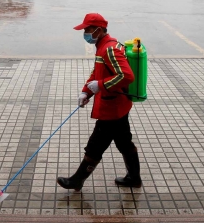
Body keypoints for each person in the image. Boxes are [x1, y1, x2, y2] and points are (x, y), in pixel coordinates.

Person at [56, 13, 142, 191]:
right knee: (124, 143)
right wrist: (86, 91)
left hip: (112, 109)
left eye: (87, 30)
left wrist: (101, 85)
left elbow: (127, 75)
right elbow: (98, 72)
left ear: (99, 30)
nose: (85, 34)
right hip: (117, 107)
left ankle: (76, 180)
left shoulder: (109, 49)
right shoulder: (102, 45)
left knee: (95, 146)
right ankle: (134, 178)